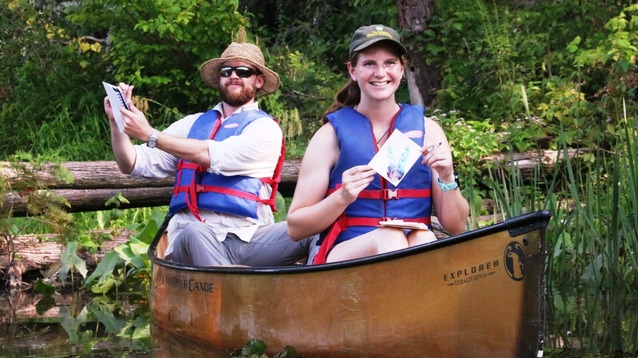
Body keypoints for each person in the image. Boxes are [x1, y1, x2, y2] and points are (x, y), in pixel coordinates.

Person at [103, 41, 312, 267]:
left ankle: (304, 290)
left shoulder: (265, 129)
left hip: (249, 238)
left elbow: (214, 155)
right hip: (193, 239)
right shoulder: (191, 124)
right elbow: (132, 163)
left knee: (315, 229)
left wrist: (150, 134)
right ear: (219, 79)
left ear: (258, 81)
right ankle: (233, 287)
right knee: (195, 231)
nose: (233, 76)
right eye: (226, 71)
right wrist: (117, 122)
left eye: (243, 71)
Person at [286, 25, 470, 264]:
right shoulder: (328, 136)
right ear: (353, 70)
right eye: (369, 63)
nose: (380, 73)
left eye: (390, 63)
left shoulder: (429, 131)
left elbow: (456, 227)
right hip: (346, 255)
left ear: (402, 69)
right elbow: (296, 228)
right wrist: (341, 197)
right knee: (390, 239)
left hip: (413, 246)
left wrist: (447, 179)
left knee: (423, 239)